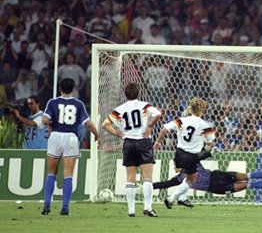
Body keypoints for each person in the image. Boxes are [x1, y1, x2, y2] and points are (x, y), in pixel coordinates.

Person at [41, 78, 101, 215]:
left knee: (51, 172)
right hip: (71, 138)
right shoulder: (78, 104)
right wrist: (97, 135)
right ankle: (65, 207)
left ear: (60, 89)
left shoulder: (53, 102)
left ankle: (46, 205)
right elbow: (88, 123)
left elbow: (44, 120)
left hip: (55, 136)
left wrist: (51, 122)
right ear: (73, 89)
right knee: (68, 174)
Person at [101, 82, 162, 217]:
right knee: (147, 177)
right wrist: (150, 126)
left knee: (130, 177)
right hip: (143, 142)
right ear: (138, 93)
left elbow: (105, 125)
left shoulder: (120, 109)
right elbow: (158, 114)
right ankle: (147, 207)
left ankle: (131, 210)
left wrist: (119, 134)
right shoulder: (145, 106)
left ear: (125, 94)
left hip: (128, 143)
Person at [152, 97, 215, 209]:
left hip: (179, 153)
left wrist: (157, 142)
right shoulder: (205, 125)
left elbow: (164, 130)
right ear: (202, 110)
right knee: (191, 178)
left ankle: (182, 198)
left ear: (191, 108)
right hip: (191, 156)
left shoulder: (181, 120)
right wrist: (206, 150)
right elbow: (210, 144)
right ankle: (171, 199)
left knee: (186, 175)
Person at [153, 149, 262, 196]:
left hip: (216, 176)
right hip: (216, 188)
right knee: (247, 184)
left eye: (174, 164)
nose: (173, 166)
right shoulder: (179, 179)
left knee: (246, 177)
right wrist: (150, 186)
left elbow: (200, 154)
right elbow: (164, 184)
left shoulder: (193, 164)